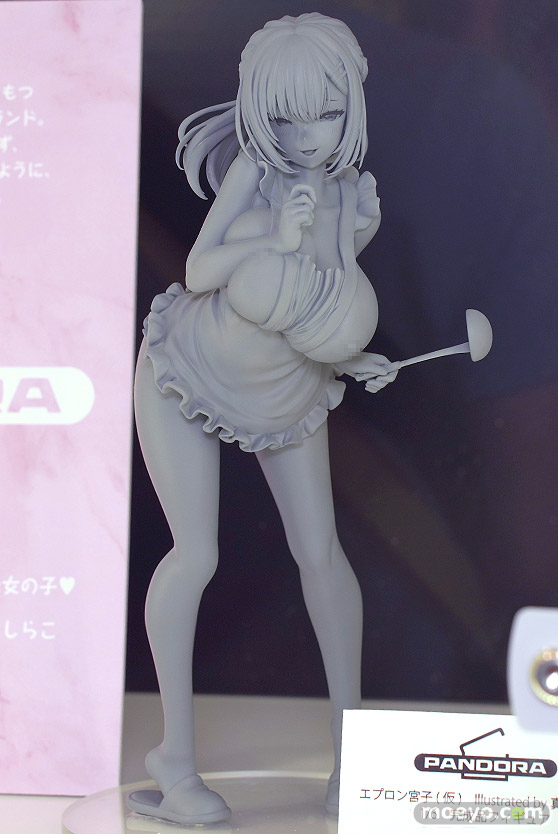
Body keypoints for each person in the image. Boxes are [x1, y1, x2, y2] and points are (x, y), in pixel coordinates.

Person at [128, 13, 396, 825]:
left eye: (325, 114)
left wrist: (354, 356)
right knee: (195, 553)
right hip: (190, 367)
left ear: (351, 105)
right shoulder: (256, 170)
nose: (306, 137)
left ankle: (354, 756)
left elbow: (325, 299)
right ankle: (174, 762)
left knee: (321, 553)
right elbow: (200, 268)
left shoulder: (346, 191)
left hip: (284, 384)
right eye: (285, 118)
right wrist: (272, 234)